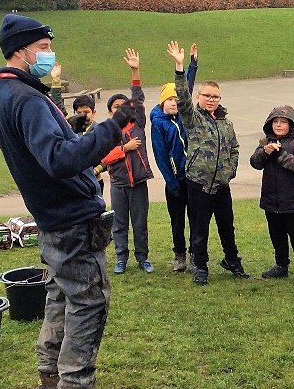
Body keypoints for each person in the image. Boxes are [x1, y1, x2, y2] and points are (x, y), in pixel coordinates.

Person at [0, 14, 135, 389]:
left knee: (60, 297)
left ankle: (50, 374)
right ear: (21, 50)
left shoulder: (3, 94)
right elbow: (58, 159)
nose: (51, 55)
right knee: (89, 301)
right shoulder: (28, 99)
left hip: (51, 219)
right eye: (45, 47)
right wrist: (115, 125)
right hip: (70, 220)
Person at [167, 40, 249, 285]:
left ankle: (232, 259)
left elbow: (234, 147)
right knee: (199, 228)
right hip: (198, 184)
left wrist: (230, 170)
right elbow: (182, 99)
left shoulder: (225, 122)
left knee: (227, 226)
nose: (211, 100)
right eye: (207, 96)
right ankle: (200, 265)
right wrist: (180, 68)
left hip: (222, 185)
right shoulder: (192, 119)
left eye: (215, 97)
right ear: (199, 97)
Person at [101, 48, 155, 275]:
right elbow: (104, 157)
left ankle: (142, 258)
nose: (121, 110)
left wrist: (135, 71)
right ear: (111, 111)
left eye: (124, 106)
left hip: (139, 183)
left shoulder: (138, 125)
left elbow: (138, 98)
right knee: (119, 224)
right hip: (119, 184)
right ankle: (121, 258)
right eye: (116, 107)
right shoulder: (106, 131)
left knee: (140, 224)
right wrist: (125, 148)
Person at [150, 43, 199, 272]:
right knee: (178, 220)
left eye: (176, 100)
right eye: (170, 100)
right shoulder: (159, 124)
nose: (174, 103)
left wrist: (190, 64)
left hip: (192, 176)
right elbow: (160, 156)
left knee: (195, 219)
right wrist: (171, 182)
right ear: (162, 102)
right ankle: (179, 255)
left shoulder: (183, 116)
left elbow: (186, 88)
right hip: (175, 182)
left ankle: (193, 255)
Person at [250, 105, 294, 286]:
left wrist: (280, 154)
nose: (278, 125)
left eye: (283, 122)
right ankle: (281, 264)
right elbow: (254, 163)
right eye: (275, 122)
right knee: (276, 234)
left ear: (291, 125)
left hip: (293, 200)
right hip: (270, 199)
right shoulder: (265, 142)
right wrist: (265, 152)